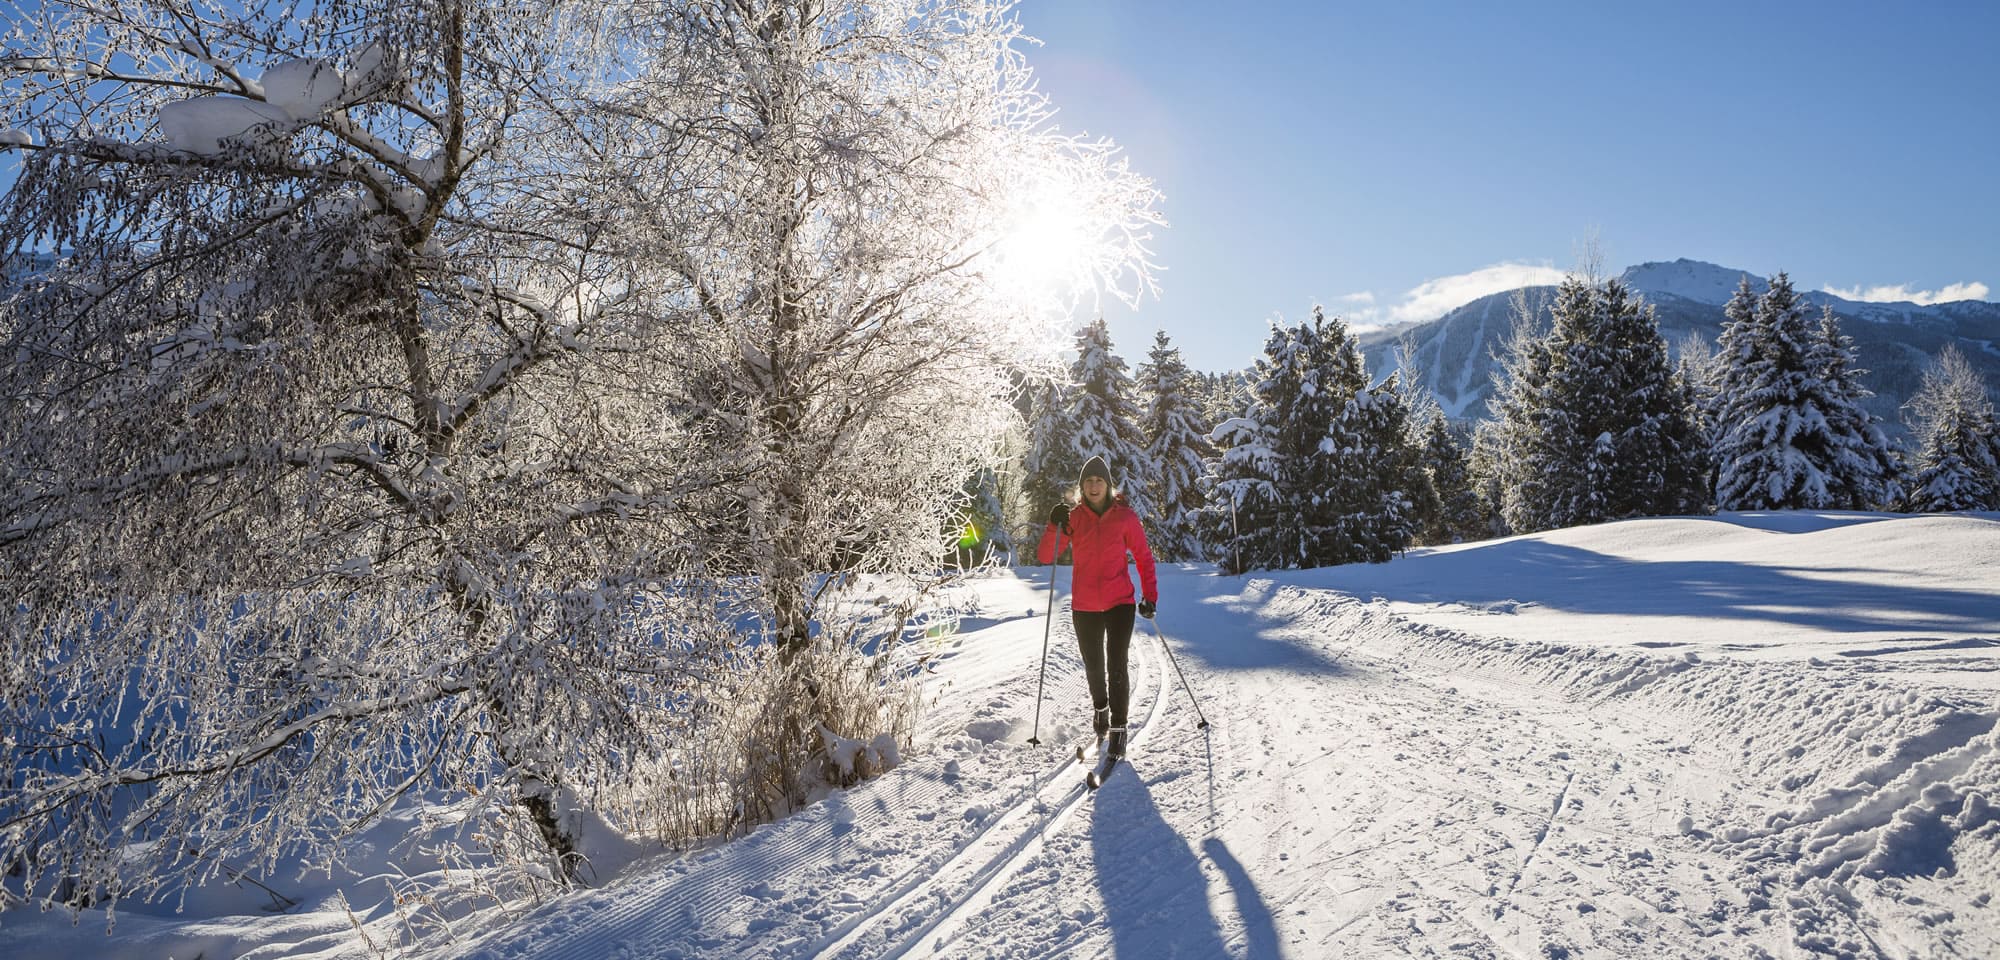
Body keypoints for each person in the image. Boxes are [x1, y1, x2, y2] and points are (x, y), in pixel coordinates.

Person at [1037, 455, 1158, 760]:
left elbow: (1143, 557)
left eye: (1099, 480)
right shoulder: (1074, 518)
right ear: (1082, 486)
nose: (1093, 486)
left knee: (1116, 663)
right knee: (1093, 666)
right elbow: (1045, 556)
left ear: (1107, 484)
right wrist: (1054, 524)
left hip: (1120, 603)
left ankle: (1119, 728)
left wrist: (1150, 596)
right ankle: (1100, 709)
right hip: (1085, 605)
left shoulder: (1125, 517)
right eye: (1088, 481)